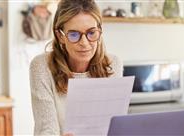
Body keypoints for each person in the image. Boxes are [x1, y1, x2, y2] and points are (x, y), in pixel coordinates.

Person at [29, 0, 123, 135]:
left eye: (91, 33)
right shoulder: (41, 67)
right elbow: (46, 129)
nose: (84, 43)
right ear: (60, 36)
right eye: (74, 34)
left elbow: (113, 125)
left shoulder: (113, 64)